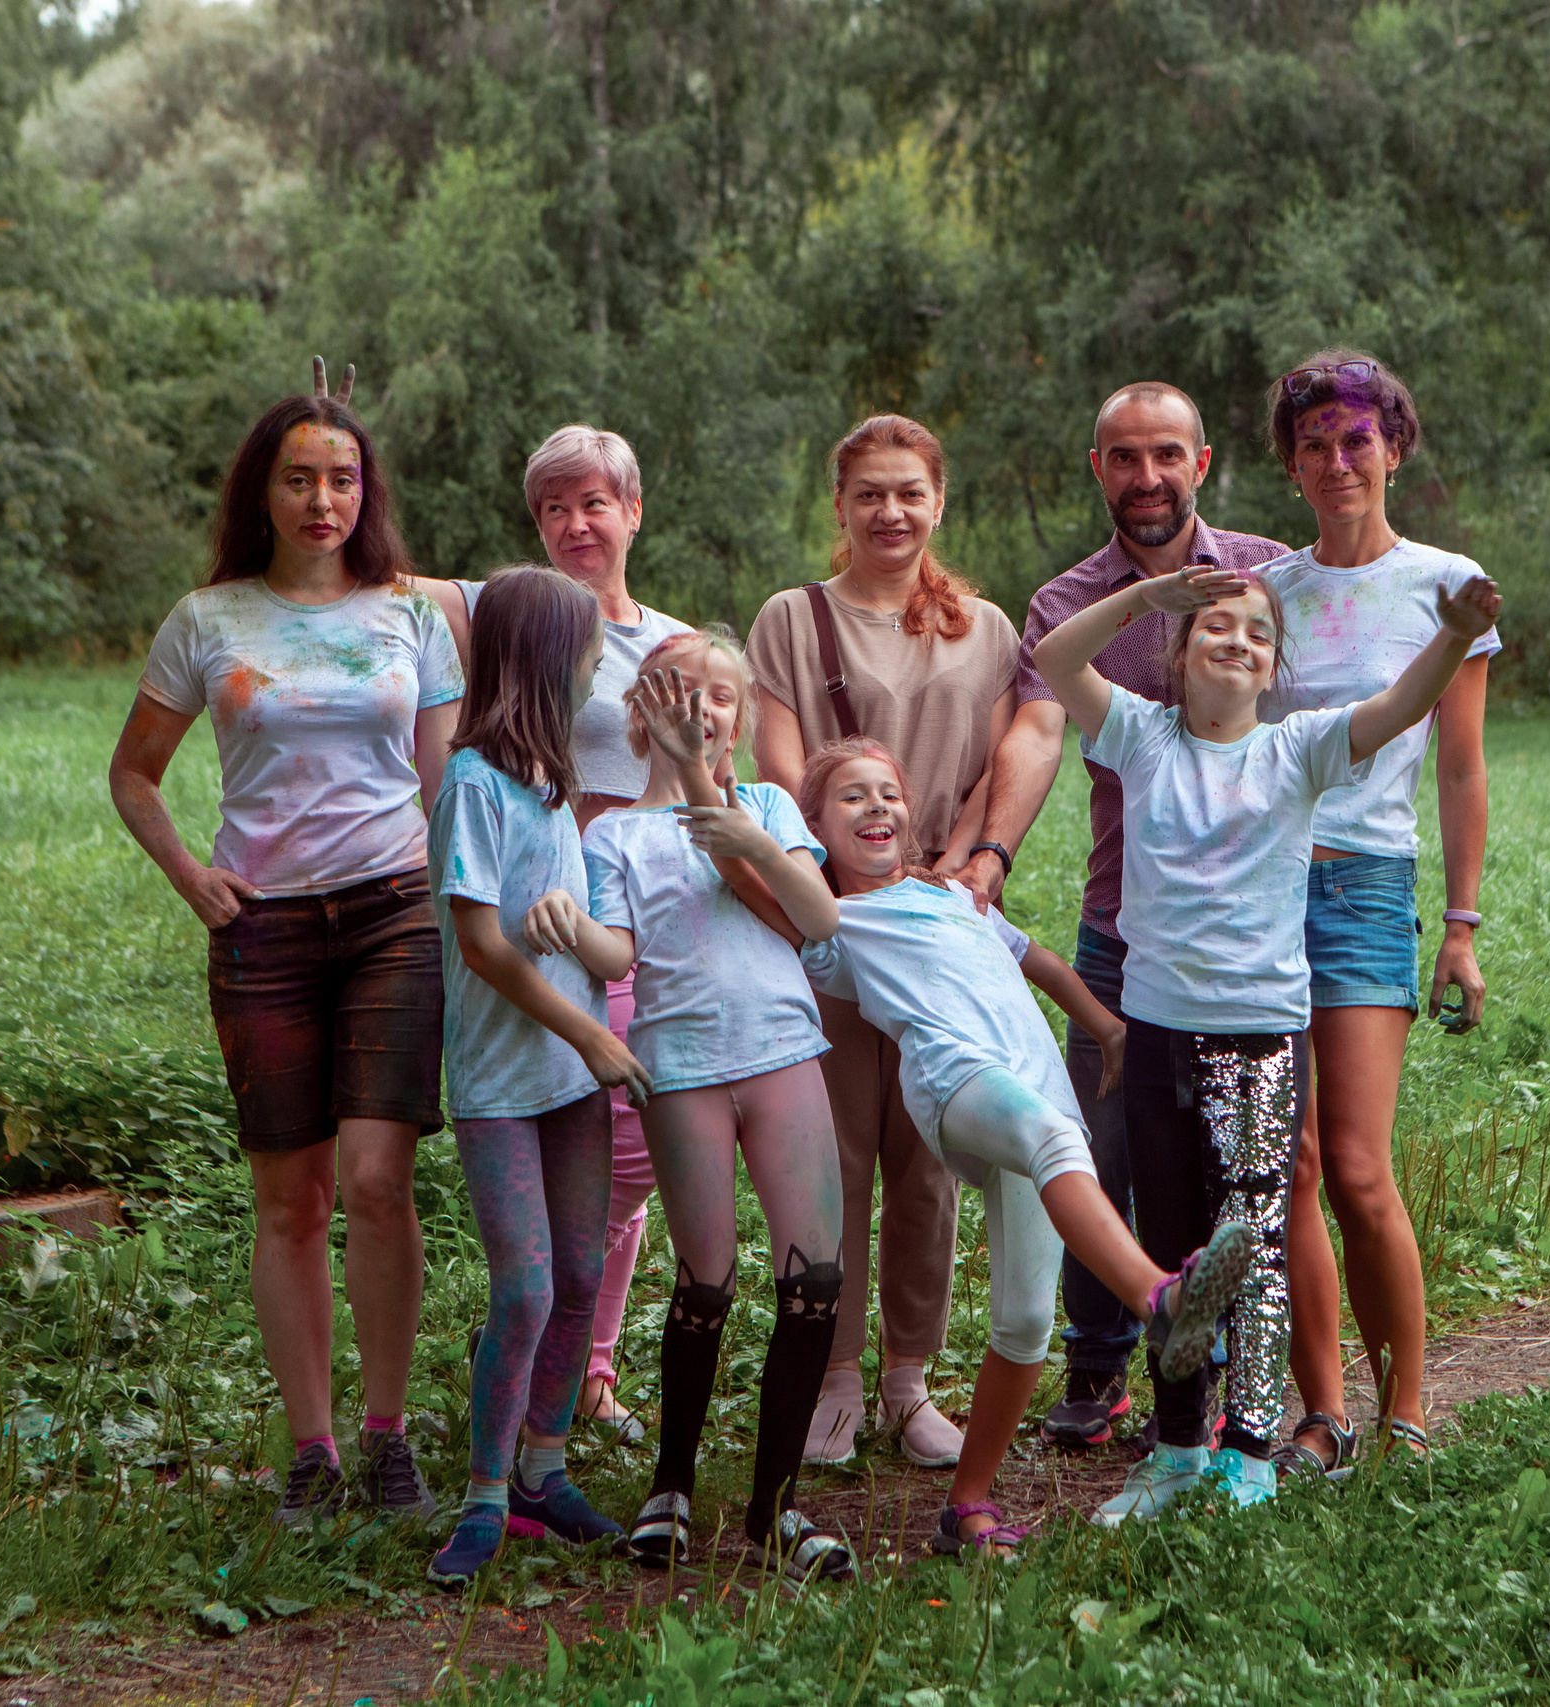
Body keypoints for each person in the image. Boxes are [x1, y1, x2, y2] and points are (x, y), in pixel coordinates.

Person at [1033, 557, 1499, 1520]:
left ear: (1275, 663)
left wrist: (1452, 635)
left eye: (1257, 632)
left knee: (1253, 1246)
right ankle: (1175, 1450)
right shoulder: (1141, 735)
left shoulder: (1301, 749)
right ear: (1181, 649)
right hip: (1158, 1033)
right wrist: (1145, 597)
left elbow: (1403, 704)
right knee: (1172, 1255)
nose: (1236, 641)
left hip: (1260, 1042)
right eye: (1216, 626)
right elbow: (1054, 654)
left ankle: (1247, 1450)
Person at [108, 389, 461, 1525]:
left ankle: (387, 1438)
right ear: (262, 490)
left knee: (376, 1181)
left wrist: (471, 900)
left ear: (368, 493)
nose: (323, 499)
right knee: (290, 1203)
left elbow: (448, 781)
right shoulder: (208, 617)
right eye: (300, 478)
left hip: (393, 916)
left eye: (343, 478)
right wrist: (188, 875)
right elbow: (135, 774)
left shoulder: (411, 615)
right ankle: (309, 1451)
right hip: (259, 928)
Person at [792, 736, 1253, 1557]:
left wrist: (1108, 1029)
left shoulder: (957, 899)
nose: (876, 808)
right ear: (814, 830)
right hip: (957, 1084)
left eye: (887, 792)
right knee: (1046, 1137)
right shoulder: (836, 924)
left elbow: (1037, 960)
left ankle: (966, 1506)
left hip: (1039, 1089)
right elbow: (774, 881)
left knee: (1026, 1321)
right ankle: (1160, 1298)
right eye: (850, 798)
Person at [958, 383, 1288, 1448]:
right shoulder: (1068, 601)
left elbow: (1326, 726)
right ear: (1096, 468)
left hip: (1252, 936)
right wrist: (992, 853)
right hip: (1120, 925)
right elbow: (1040, 728)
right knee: (1101, 1148)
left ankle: (1258, 1394)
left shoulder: (1267, 572)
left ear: (1200, 461)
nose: (1145, 477)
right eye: (1122, 458)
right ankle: (1100, 1372)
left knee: (1250, 1167)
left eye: (1164, 455)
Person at [746, 416, 1020, 1470]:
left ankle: (910, 1382)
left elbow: (999, 763)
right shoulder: (792, 619)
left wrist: (961, 868)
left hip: (938, 923)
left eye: (910, 492)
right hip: (833, 926)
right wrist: (838, 885)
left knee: (926, 1161)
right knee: (837, 1154)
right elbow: (778, 773)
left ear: (938, 501)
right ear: (840, 506)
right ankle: (835, 1381)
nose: (891, 512)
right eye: (870, 493)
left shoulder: (985, 630)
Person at [551, 632, 854, 1581]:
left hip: (784, 1056)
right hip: (680, 1069)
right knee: (707, 1280)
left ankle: (775, 1510)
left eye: (720, 696)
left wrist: (730, 811)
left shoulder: (762, 804)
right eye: (680, 693)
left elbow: (820, 915)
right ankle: (669, 1487)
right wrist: (565, 925)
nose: (702, 709)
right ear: (638, 714)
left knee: (814, 1281)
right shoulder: (614, 835)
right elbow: (614, 952)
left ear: (742, 716)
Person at [1255, 352, 1501, 1478]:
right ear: (1292, 464)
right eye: (1315, 445)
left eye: (1357, 440)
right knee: (1290, 1166)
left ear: (1393, 448)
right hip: (1261, 891)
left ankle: (1407, 1407)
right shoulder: (1272, 593)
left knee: (1356, 1166)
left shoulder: (1446, 585)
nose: (1337, 461)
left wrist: (1460, 924)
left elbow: (1459, 768)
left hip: (1364, 886)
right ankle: (1323, 1410)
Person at [426, 426, 695, 1448]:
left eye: (594, 502)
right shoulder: (510, 673)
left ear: (633, 509)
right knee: (554, 1251)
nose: (576, 523)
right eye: (553, 508)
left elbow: (702, 757)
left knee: (610, 1198)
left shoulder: (660, 647)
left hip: (620, 933)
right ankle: (543, 1392)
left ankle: (566, 1389)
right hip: (533, 994)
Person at [421, 568, 655, 1584]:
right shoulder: (474, 783)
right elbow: (481, 944)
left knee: (578, 1278)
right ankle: (482, 1494)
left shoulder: (554, 788)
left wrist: (600, 954)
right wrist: (592, 1036)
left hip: (570, 1086)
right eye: (591, 648)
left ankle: (543, 1470)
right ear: (544, 658)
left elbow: (588, 942)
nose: (602, 663)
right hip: (505, 1085)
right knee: (522, 1288)